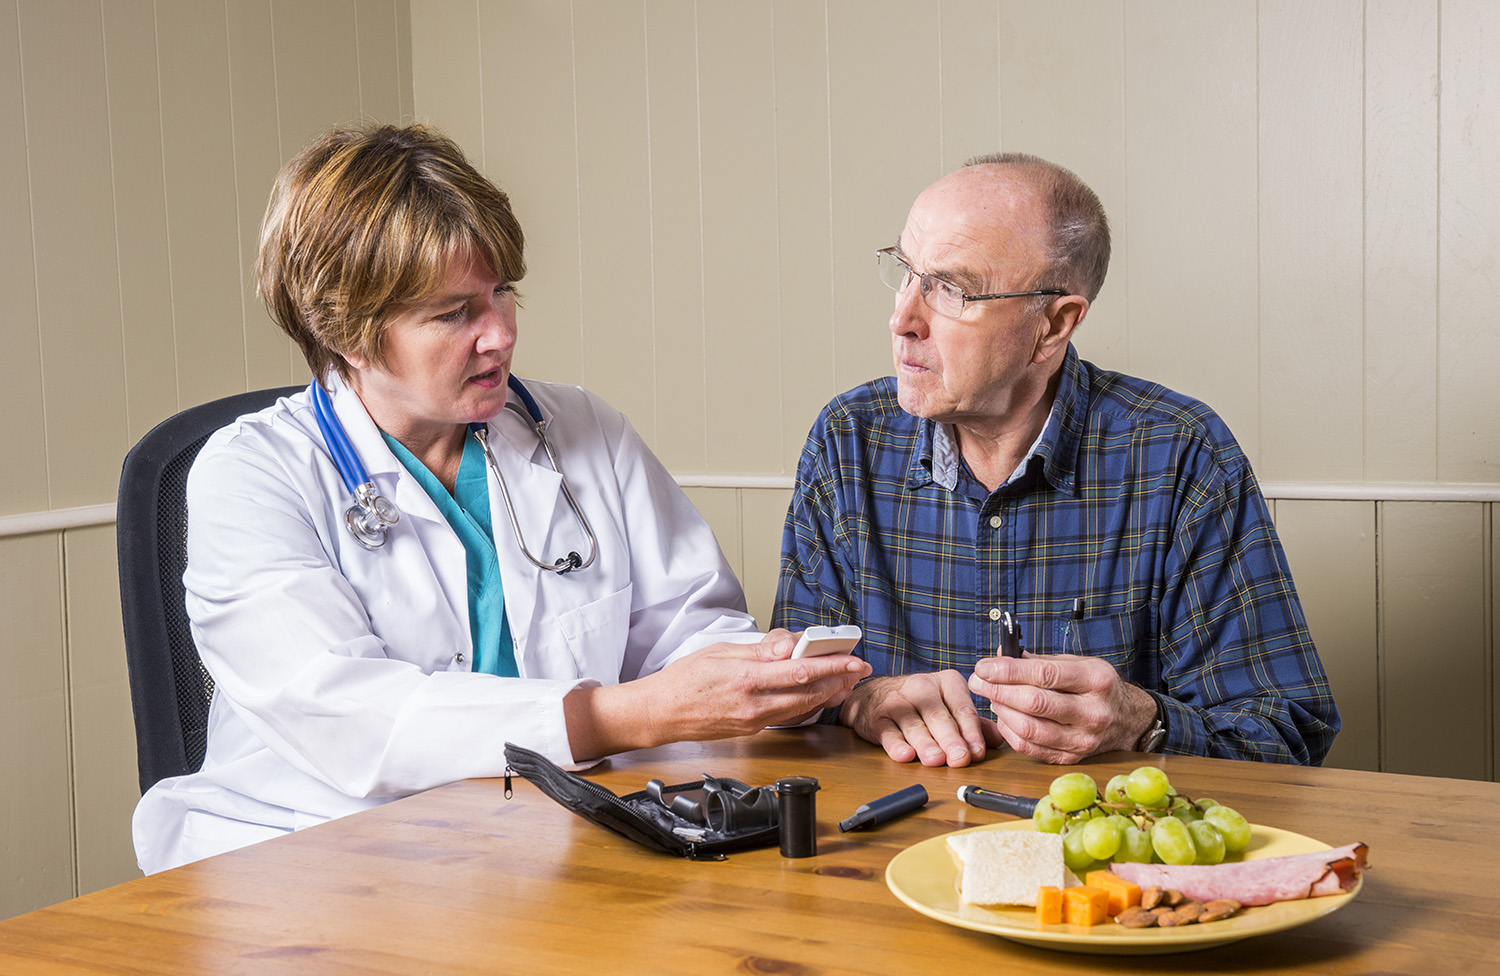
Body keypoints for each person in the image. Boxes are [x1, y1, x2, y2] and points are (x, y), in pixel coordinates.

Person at [132, 124, 868, 874]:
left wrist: (789, 675)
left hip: (544, 846)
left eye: (502, 292)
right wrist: (617, 714)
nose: (501, 333)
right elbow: (352, 718)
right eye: (454, 314)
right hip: (318, 861)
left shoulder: (581, 428)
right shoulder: (250, 473)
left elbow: (687, 629)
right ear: (346, 331)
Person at [774, 153, 1337, 769]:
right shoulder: (847, 440)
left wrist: (1141, 721)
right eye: (906, 272)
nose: (902, 318)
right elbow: (792, 693)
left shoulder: (1180, 455)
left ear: (1053, 325)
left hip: (1101, 851)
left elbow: (1286, 736)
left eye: (952, 289)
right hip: (894, 846)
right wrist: (861, 699)